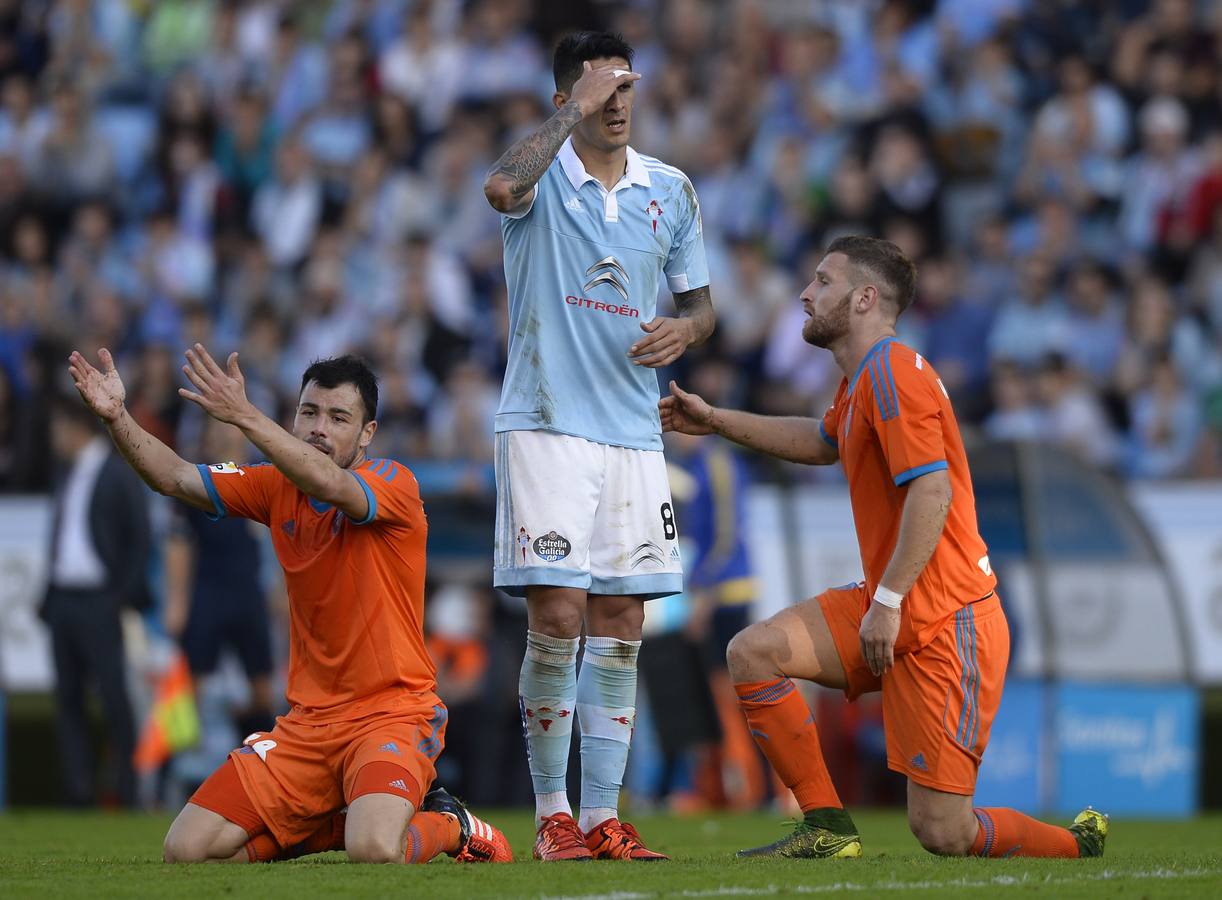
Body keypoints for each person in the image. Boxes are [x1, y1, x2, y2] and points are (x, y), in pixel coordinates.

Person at [659, 236, 1109, 860]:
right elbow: (821, 442)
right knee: (753, 653)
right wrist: (716, 420)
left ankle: (1075, 844)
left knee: (943, 832)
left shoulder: (893, 372)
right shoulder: (864, 380)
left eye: (822, 281)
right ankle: (826, 827)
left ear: (865, 297)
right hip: (893, 607)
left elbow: (932, 492)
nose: (805, 293)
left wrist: (890, 600)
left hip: (947, 624)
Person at [66, 345, 511, 865]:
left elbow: (329, 482)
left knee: (373, 850)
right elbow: (176, 477)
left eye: (338, 417)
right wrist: (118, 418)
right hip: (307, 724)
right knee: (188, 852)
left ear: (367, 433)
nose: (319, 427)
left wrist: (243, 415)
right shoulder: (276, 487)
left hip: (391, 713)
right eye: (309, 412)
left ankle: (449, 824)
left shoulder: (394, 482)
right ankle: (333, 823)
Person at [483, 30, 715, 860]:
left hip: (633, 433)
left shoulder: (670, 189)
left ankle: (601, 817)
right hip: (546, 424)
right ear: (565, 99)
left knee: (621, 622)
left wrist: (686, 331)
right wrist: (570, 112)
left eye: (624, 89)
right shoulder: (542, 178)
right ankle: (551, 813)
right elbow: (500, 183)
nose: (615, 104)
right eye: (598, 92)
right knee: (558, 617)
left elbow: (702, 303)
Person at [43, 392, 150, 808]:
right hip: (63, 601)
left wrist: (122, 596)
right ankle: (79, 790)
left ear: (75, 427)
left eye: (58, 428)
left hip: (101, 600)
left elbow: (139, 539)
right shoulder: (64, 474)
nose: (54, 436)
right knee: (68, 698)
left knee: (113, 696)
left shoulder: (117, 473)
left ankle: (126, 789)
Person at [163, 418, 277, 744]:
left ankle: (257, 752)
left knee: (262, 687)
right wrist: (177, 601)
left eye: (230, 426)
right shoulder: (199, 482)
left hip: (248, 591)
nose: (225, 433)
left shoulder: (262, 478)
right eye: (217, 427)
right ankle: (175, 763)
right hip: (208, 591)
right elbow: (178, 542)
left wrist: (280, 592)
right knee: (190, 685)